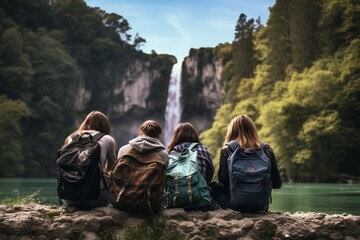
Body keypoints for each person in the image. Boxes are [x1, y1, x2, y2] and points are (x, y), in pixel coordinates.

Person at [214, 114, 282, 212]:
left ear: (232, 131)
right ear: (253, 130)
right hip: (261, 207)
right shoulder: (267, 150)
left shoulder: (227, 150)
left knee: (212, 190)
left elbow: (223, 184)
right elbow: (277, 184)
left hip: (234, 206)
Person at [59, 111, 116, 209]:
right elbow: (113, 167)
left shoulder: (71, 138)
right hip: (96, 199)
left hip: (69, 198)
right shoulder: (107, 139)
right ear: (105, 126)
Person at [166, 122, 215, 210]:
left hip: (175, 202)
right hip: (201, 201)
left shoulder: (170, 153)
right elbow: (209, 175)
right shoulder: (203, 149)